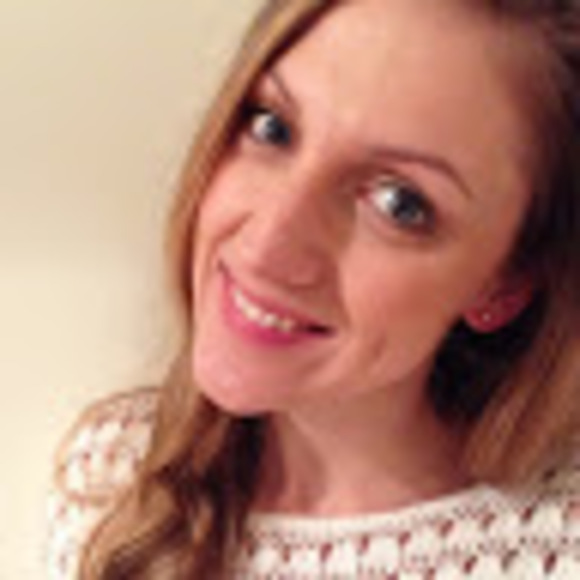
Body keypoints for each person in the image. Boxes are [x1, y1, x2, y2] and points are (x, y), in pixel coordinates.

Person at [47, 0, 580, 577]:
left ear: (505, 286)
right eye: (271, 128)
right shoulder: (111, 474)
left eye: (399, 203)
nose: (265, 248)